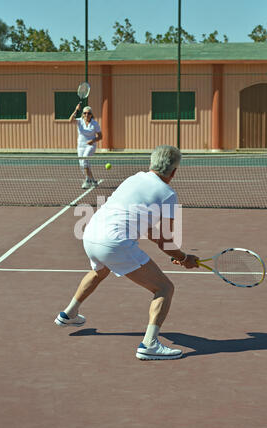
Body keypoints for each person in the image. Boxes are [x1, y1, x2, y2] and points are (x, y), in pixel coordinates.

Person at [54, 145, 199, 360]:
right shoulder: (168, 194)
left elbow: (151, 231)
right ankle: (149, 344)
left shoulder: (134, 179)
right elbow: (167, 242)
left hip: (91, 234)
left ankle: (69, 313)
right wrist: (184, 258)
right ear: (174, 171)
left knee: (100, 271)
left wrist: (178, 255)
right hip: (114, 242)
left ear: (151, 163)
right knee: (164, 288)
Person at [69, 103, 102, 189]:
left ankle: (87, 180)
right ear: (82, 114)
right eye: (85, 113)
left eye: (89, 113)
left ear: (91, 115)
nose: (87, 115)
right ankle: (93, 180)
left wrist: (93, 140)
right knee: (82, 165)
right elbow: (70, 120)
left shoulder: (95, 124)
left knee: (85, 160)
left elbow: (100, 136)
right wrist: (76, 110)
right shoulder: (79, 121)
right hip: (80, 146)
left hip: (91, 146)